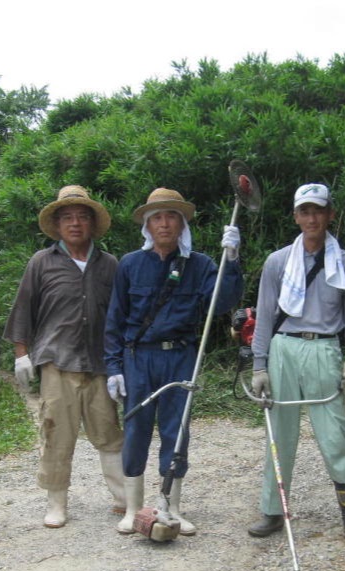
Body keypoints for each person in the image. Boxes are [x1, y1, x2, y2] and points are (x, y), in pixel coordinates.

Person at [104, 187, 243, 535]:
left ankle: (171, 506)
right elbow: (115, 320)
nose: (164, 224)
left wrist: (233, 260)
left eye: (171, 217)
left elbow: (223, 302)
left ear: (181, 225)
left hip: (181, 356)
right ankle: (134, 508)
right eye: (157, 218)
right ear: (147, 226)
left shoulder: (201, 265)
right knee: (135, 430)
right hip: (139, 359)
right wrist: (114, 368)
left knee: (176, 432)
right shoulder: (130, 265)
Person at [247, 182, 345, 544]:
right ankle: (272, 510)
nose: (312, 217)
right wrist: (259, 365)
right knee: (278, 435)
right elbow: (266, 316)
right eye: (305, 211)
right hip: (283, 348)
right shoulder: (278, 261)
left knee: (335, 436)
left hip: (325, 349)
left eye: (318, 210)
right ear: (296, 216)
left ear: (330, 213)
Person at [4, 185, 125, 528]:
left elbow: (120, 315)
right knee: (57, 432)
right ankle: (57, 503)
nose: (75, 224)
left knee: (109, 433)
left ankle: (122, 498)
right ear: (57, 225)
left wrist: (122, 362)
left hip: (101, 364)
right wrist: (21, 355)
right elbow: (23, 309)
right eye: (67, 218)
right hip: (56, 362)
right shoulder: (41, 262)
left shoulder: (109, 265)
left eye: (82, 217)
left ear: (92, 223)